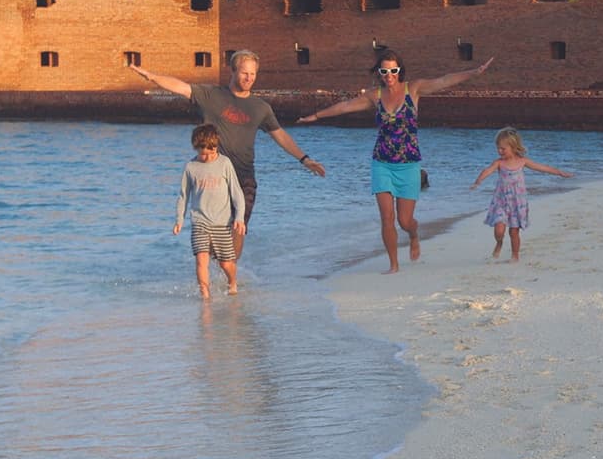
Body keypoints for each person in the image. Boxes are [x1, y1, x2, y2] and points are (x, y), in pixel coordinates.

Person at [298, 50, 494, 274]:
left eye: (393, 70)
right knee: (387, 218)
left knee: (404, 220)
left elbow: (444, 80)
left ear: (400, 71)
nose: (389, 75)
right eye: (384, 71)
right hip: (381, 162)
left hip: (409, 164)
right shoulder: (375, 95)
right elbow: (345, 106)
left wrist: (474, 72)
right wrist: (316, 116)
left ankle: (413, 235)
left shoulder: (414, 89)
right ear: (379, 73)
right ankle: (393, 265)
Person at [130, 50, 325, 265]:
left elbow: (280, 135)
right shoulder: (211, 96)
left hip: (244, 177)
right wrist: (151, 77)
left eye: (253, 74)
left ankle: (230, 274)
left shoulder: (261, 108)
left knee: (239, 227)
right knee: (212, 233)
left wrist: (304, 159)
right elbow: (181, 87)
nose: (249, 78)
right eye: (244, 73)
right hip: (214, 178)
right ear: (232, 71)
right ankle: (214, 272)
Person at [470, 127, 573, 262]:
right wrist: (478, 181)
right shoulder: (499, 163)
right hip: (501, 201)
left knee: (514, 232)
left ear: (513, 147)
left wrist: (559, 172)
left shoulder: (523, 161)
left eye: (503, 148)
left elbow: (542, 167)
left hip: (517, 203)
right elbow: (487, 171)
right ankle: (499, 243)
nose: (499, 151)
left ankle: (515, 256)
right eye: (498, 148)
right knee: (499, 230)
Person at [175, 124, 247, 298]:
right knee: (201, 260)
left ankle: (232, 282)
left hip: (222, 223)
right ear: (196, 148)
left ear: (216, 147)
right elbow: (183, 195)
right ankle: (205, 296)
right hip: (199, 222)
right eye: (203, 154)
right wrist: (179, 219)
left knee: (225, 264)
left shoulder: (224, 163)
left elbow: (236, 192)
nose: (207, 157)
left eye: (211, 153)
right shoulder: (191, 167)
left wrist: (239, 217)